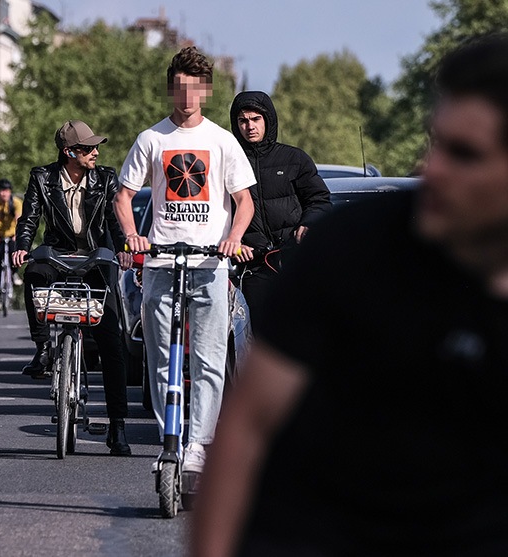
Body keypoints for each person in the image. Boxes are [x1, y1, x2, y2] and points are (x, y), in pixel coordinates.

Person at [193, 34, 508, 556]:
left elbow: (315, 198)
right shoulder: (353, 251)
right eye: (436, 142)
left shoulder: (293, 162)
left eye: (465, 154)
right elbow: (246, 428)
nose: (432, 170)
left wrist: (304, 226)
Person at [115, 46, 255, 473]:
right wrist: (133, 236)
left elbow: (244, 201)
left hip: (209, 265)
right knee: (161, 359)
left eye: (195, 89)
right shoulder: (152, 139)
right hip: (160, 263)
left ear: (206, 92)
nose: (187, 97)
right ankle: (170, 438)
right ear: (171, 89)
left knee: (210, 359)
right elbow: (123, 196)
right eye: (180, 88)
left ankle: (199, 446)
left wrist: (232, 238)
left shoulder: (222, 140)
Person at [12, 120, 132, 456]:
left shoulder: (105, 178)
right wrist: (23, 244)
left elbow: (114, 220)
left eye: (96, 147)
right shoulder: (42, 177)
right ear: (69, 152)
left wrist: (121, 247)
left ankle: (117, 426)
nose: (96, 152)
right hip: (58, 253)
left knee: (111, 339)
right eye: (88, 148)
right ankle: (42, 349)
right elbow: (30, 217)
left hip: (96, 258)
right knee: (35, 270)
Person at [229, 91, 331, 332]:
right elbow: (219, 214)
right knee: (261, 339)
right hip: (252, 270)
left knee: (303, 333)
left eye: (256, 119)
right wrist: (236, 243)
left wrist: (309, 224)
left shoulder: (295, 159)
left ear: (268, 120)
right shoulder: (229, 162)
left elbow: (319, 200)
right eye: (243, 120)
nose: (250, 126)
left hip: (294, 263)